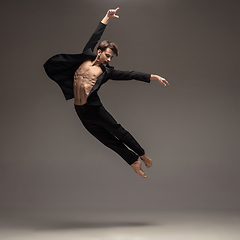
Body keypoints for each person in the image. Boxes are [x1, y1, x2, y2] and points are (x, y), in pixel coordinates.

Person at [43, 7, 169, 179]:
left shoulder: (107, 72)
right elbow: (95, 36)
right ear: (99, 52)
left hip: (95, 108)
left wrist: (153, 77)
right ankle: (133, 161)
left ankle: (142, 155)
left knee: (118, 132)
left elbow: (130, 75)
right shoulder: (86, 56)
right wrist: (107, 17)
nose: (109, 60)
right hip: (80, 110)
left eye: (111, 58)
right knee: (106, 140)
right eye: (108, 55)